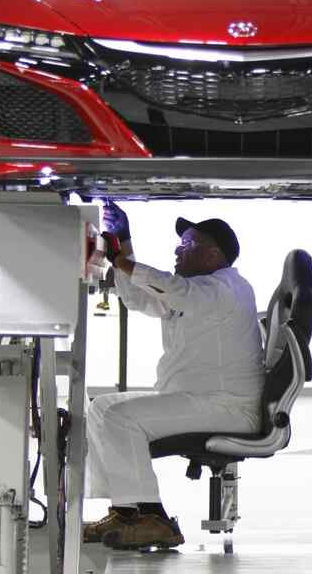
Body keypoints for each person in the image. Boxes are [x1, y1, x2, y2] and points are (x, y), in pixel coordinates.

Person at [83, 203, 264, 550]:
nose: (177, 250)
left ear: (213, 256)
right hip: (199, 399)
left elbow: (172, 288)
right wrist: (124, 241)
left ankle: (154, 519)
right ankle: (126, 512)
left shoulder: (226, 288)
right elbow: (139, 298)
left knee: (121, 418)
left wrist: (124, 261)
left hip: (227, 406)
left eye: (188, 244)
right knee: (102, 407)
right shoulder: (196, 292)